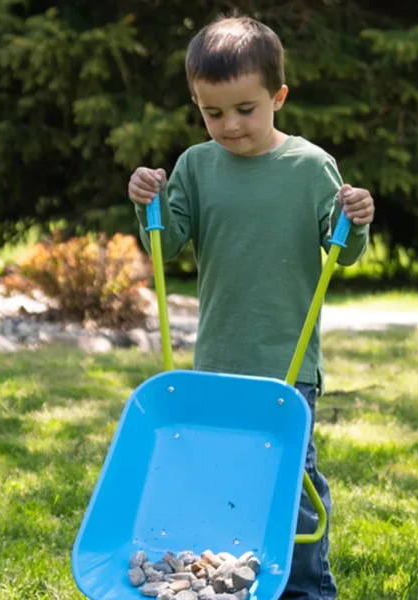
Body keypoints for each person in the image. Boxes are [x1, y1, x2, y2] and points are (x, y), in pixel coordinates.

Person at [128, 12, 375, 600]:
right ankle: (230, 578)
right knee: (223, 481)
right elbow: (168, 241)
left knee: (292, 488)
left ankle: (309, 588)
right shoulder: (195, 165)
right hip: (215, 358)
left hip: (289, 366)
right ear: (197, 103)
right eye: (212, 113)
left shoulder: (310, 167)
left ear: (278, 97)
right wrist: (149, 205)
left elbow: (342, 254)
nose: (229, 125)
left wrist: (356, 219)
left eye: (245, 109)